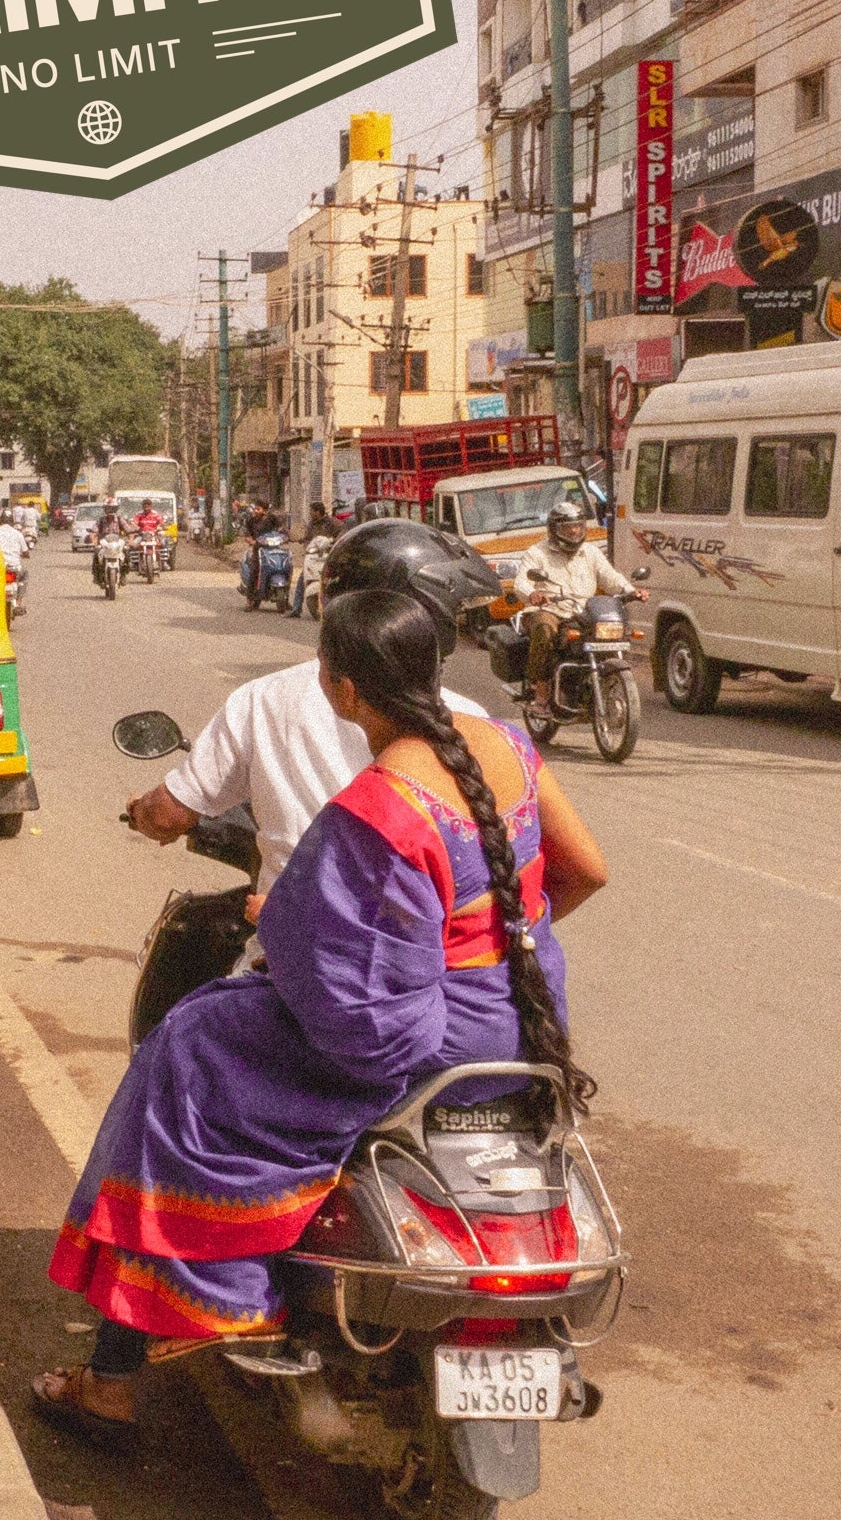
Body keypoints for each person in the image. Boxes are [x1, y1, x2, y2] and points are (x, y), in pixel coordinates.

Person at [33, 585, 609, 1432]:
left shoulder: (378, 805)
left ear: (342, 688)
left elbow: (350, 992)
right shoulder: (510, 748)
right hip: (518, 1018)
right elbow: (585, 871)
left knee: (183, 1047)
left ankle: (163, 1341)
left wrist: (280, 920)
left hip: (416, 1042)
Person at [125, 518, 500, 886]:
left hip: (296, 922)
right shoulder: (477, 722)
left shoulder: (267, 699)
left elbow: (168, 815)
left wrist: (143, 811)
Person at [513, 500, 646, 708]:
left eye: (578, 526)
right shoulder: (537, 553)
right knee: (545, 629)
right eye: (567, 528)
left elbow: (609, 576)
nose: (574, 531)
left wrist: (630, 590)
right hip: (549, 609)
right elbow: (521, 582)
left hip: (584, 612)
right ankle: (541, 687)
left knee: (614, 631)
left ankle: (605, 680)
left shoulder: (591, 552)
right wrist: (533, 594)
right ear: (554, 529)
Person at [284, 500, 342, 618]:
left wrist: (334, 541)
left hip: (328, 556)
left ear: (318, 512)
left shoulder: (332, 523)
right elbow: (307, 538)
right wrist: (306, 545)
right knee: (301, 580)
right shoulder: (311, 525)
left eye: (311, 511)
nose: (310, 513)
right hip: (315, 558)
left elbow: (342, 531)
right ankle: (296, 609)